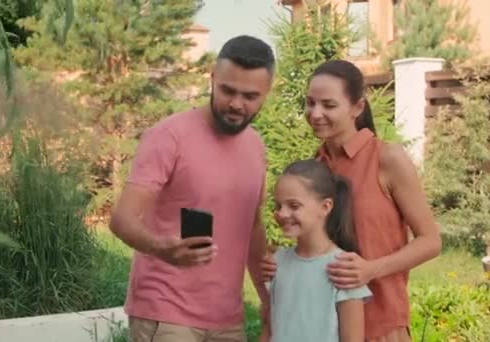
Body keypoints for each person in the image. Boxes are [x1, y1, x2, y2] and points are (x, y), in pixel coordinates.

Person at [260, 60, 442, 341]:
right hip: (324, 329)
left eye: (329, 105)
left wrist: (371, 269)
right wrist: (282, 263)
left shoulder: (387, 159)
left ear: (357, 108)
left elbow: (430, 241)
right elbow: (317, 244)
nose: (316, 113)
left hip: (382, 326)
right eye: (310, 103)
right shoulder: (314, 169)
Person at [109, 35, 274, 342]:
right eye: (227, 90)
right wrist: (162, 248)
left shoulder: (256, 146)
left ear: (267, 93)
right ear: (212, 78)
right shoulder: (169, 136)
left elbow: (252, 226)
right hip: (166, 311)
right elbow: (121, 220)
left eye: (250, 96)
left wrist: (267, 298)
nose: (236, 104)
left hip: (228, 318)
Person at [260, 159, 372, 342]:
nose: (282, 214)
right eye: (278, 205)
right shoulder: (277, 262)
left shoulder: (345, 269)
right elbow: (269, 329)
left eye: (294, 206)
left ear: (325, 206)